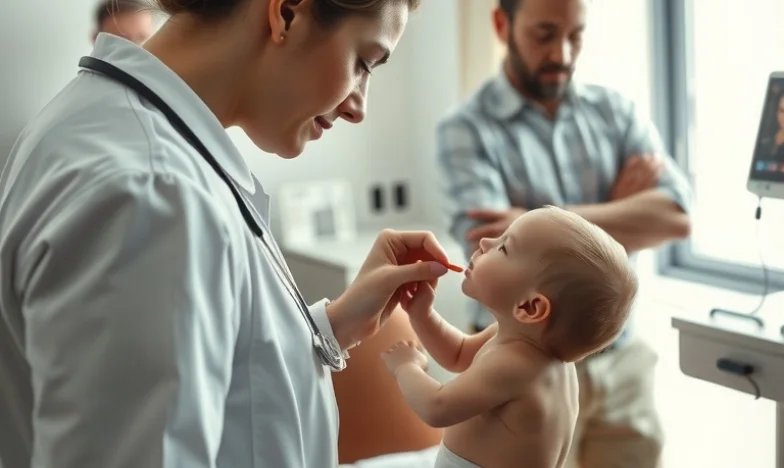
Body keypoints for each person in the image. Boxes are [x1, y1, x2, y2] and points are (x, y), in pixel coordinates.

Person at [0, 1, 449, 468]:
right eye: (362, 62)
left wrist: (332, 327)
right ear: (287, 13)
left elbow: (221, 377)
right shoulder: (154, 193)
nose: (359, 106)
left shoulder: (103, 124)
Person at [436, 0, 693, 467]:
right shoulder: (465, 129)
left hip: (622, 360)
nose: (564, 53)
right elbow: (485, 239)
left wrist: (535, 218)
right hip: (515, 368)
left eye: (576, 35)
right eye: (544, 34)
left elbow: (676, 216)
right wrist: (619, 209)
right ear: (501, 24)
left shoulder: (616, 111)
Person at [382, 206, 638, 468]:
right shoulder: (523, 345)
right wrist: (422, 315)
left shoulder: (516, 365)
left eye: (504, 247)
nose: (485, 242)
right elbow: (458, 354)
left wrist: (406, 367)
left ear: (529, 308)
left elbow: (436, 408)